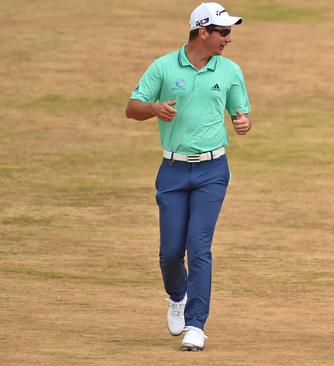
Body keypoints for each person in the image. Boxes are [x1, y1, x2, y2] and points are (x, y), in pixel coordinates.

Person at [124, 2, 251, 352]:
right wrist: (153, 109)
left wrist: (243, 124)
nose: (228, 38)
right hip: (173, 170)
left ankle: (196, 324)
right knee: (170, 252)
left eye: (229, 32)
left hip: (213, 170)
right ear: (203, 32)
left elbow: (242, 113)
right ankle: (176, 296)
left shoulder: (230, 71)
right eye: (223, 32)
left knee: (199, 247)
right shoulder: (164, 67)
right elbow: (132, 107)